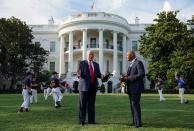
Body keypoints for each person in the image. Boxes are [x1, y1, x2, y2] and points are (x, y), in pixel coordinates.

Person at [77, 50, 104, 126]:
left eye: (92, 54)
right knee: (82, 105)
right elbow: (79, 72)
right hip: (83, 87)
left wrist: (102, 76)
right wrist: (79, 74)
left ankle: (91, 121)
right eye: (89, 54)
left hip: (93, 87)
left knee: (91, 105)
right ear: (87, 55)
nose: (91, 56)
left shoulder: (96, 64)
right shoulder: (82, 63)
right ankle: (82, 121)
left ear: (93, 56)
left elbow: (98, 74)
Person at [124, 51, 145, 128]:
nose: (126, 56)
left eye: (127, 55)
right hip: (130, 88)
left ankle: (138, 124)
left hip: (136, 88)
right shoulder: (131, 64)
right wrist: (124, 78)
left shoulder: (138, 63)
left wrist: (129, 78)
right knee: (132, 106)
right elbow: (129, 76)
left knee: (135, 105)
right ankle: (135, 122)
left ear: (132, 55)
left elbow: (142, 74)